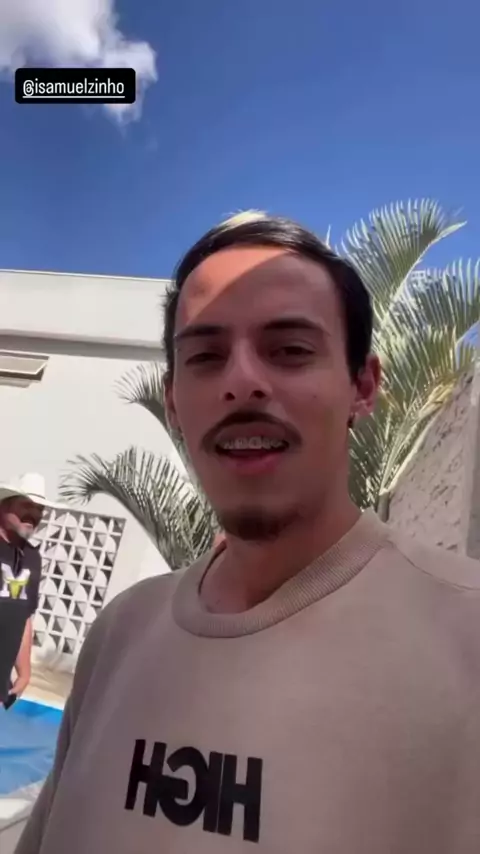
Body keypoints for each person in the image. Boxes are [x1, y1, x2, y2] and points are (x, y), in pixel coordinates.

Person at [16, 213, 480, 854]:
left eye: (290, 350)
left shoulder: (465, 636)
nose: (242, 382)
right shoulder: (120, 633)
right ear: (174, 404)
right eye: (205, 357)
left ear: (363, 386)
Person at [0, 473, 45, 708]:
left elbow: (23, 616)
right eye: (26, 505)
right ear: (4, 506)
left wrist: (24, 671)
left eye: (39, 509)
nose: (33, 514)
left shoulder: (32, 558)